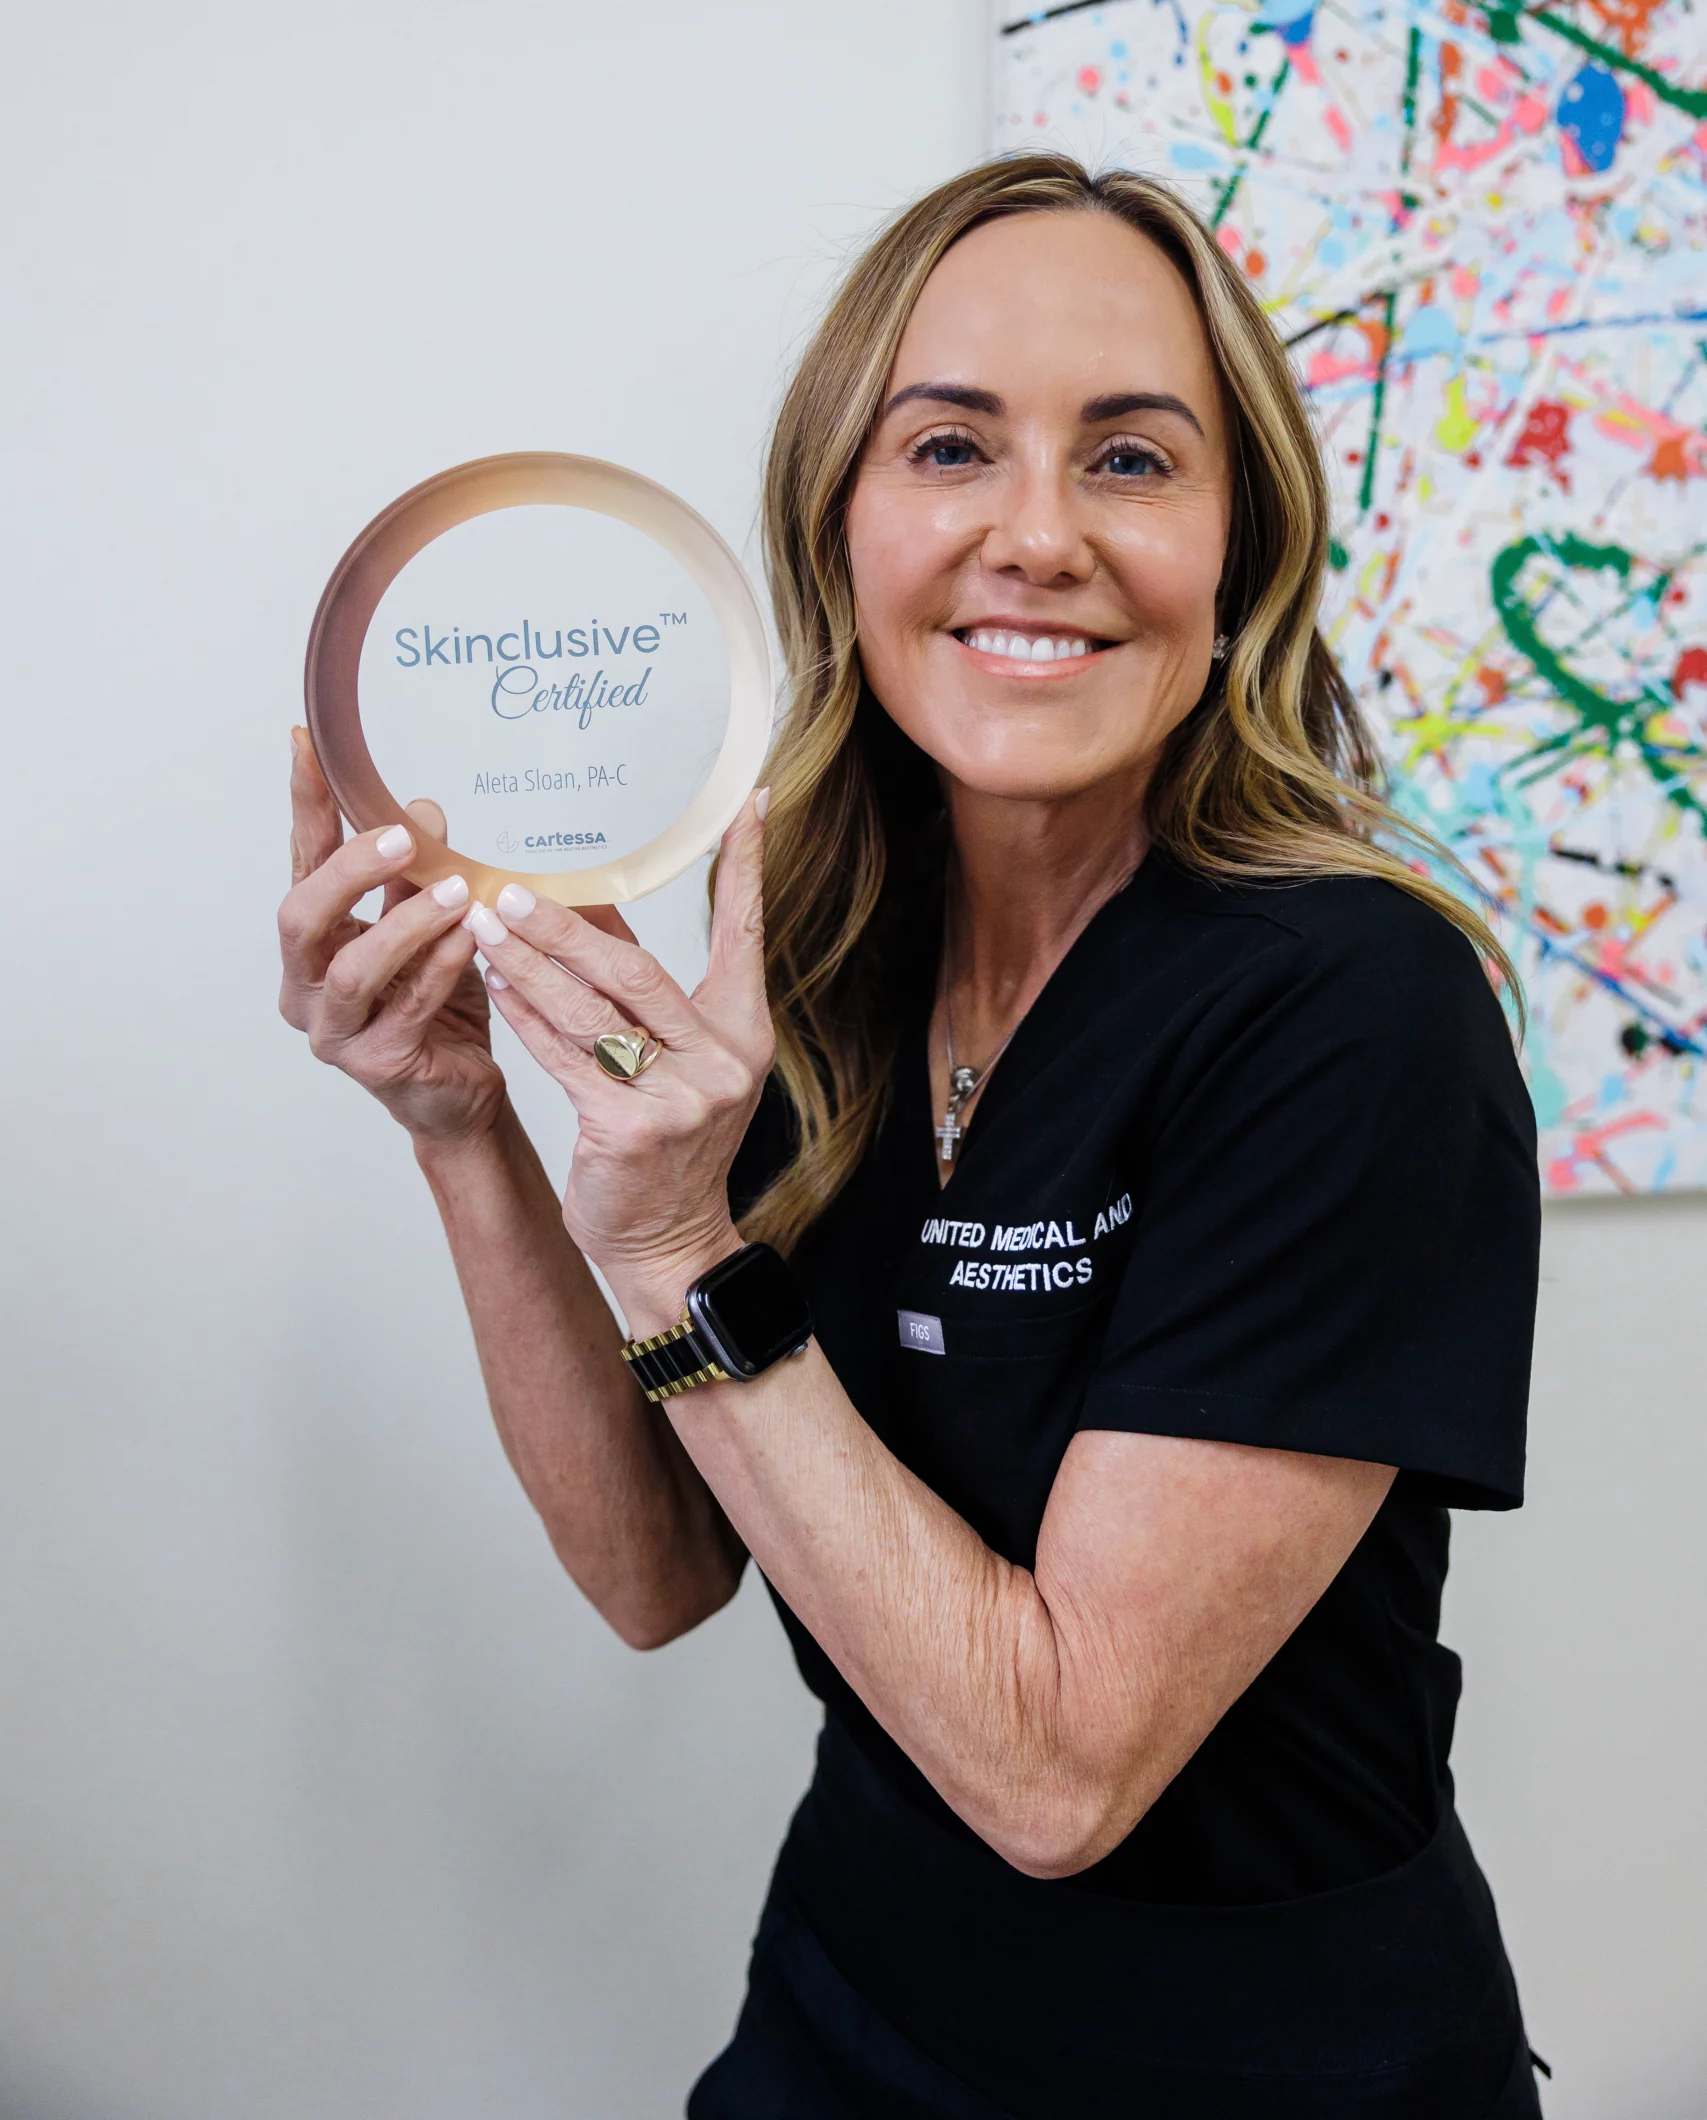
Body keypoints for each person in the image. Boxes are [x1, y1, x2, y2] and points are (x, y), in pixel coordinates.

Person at [279, 156, 1544, 2118]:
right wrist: (467, 1131)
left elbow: (1057, 1766)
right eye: (949, 444)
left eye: (1130, 459)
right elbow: (654, 1565)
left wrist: (679, 1246)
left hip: (1257, 2057)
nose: (1033, 534)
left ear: (1238, 553)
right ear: (837, 523)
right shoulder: (823, 954)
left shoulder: (1353, 1009)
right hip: (854, 1997)